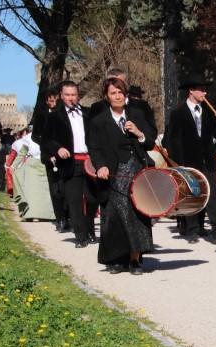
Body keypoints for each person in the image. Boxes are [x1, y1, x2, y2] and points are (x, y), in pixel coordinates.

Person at [87, 78, 155, 274]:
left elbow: (149, 142)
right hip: (113, 173)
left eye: (120, 92)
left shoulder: (137, 114)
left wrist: (139, 133)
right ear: (106, 96)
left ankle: (135, 259)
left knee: (136, 213)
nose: (117, 96)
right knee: (115, 215)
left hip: (136, 170)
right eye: (113, 93)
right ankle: (116, 259)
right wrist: (100, 166)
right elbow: (94, 147)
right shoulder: (98, 121)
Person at [165, 73, 216, 244]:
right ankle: (193, 229)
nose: (205, 93)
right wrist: (177, 163)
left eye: (204, 90)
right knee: (193, 194)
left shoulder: (209, 112)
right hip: (188, 160)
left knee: (211, 194)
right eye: (201, 90)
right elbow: (172, 139)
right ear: (191, 91)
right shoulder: (178, 113)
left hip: (207, 159)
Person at [42, 80, 99, 247]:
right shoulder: (54, 117)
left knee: (92, 198)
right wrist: (58, 148)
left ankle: (89, 228)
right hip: (70, 163)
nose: (70, 98)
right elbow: (46, 140)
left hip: (90, 161)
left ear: (78, 95)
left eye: (73, 95)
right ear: (61, 96)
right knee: (74, 200)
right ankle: (80, 236)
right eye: (67, 95)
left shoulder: (89, 114)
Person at [35, 88, 69, 231]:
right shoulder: (41, 116)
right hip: (50, 156)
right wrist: (48, 148)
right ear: (46, 100)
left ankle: (69, 217)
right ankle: (60, 218)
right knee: (55, 190)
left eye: (55, 98)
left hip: (66, 155)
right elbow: (35, 136)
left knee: (67, 189)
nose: (53, 101)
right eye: (50, 99)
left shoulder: (65, 114)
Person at [88, 67, 157, 135]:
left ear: (126, 84)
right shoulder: (97, 108)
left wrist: (138, 134)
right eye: (112, 83)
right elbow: (92, 135)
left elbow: (152, 132)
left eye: (119, 83)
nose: (116, 86)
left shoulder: (142, 106)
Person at [7, 125, 55, 220]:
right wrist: (13, 165)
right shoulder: (28, 138)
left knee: (48, 193)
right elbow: (22, 153)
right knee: (32, 193)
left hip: (47, 165)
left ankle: (48, 215)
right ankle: (29, 214)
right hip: (32, 166)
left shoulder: (51, 135)